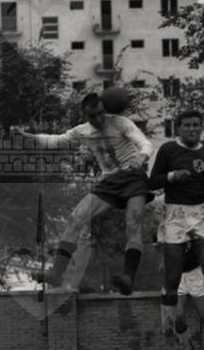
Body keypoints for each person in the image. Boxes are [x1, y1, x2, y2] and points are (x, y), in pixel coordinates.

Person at [10, 92, 153, 295]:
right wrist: (26, 136)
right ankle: (56, 273)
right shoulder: (83, 130)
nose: (98, 119)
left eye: (101, 113)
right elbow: (56, 141)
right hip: (109, 181)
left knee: (133, 222)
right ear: (86, 116)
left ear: (105, 110)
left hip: (133, 177)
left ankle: (128, 277)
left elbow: (145, 143)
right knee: (76, 217)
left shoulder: (121, 122)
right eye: (92, 116)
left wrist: (142, 157)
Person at [149, 110, 204, 350]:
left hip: (202, 213)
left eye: (196, 125)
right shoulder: (168, 150)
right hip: (175, 214)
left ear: (201, 128)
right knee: (172, 277)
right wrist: (172, 176)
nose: (192, 129)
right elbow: (153, 181)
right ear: (178, 128)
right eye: (187, 125)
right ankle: (168, 331)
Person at [152, 196, 204, 350]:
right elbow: (157, 243)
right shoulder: (164, 225)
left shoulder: (197, 221)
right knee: (178, 319)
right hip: (176, 276)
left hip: (196, 272)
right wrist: (161, 261)